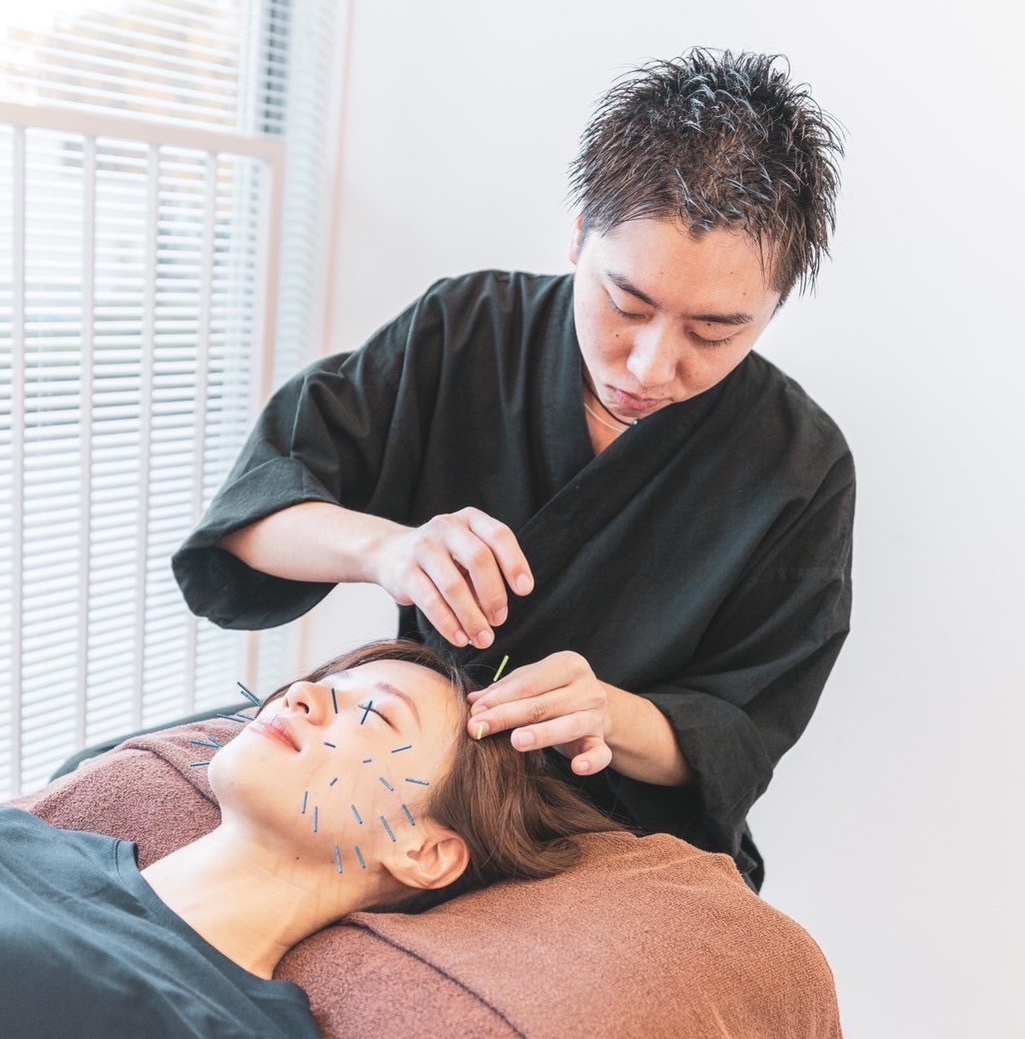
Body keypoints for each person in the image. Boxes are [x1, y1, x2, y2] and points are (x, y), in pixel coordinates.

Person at [173, 48, 853, 889]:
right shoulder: (465, 331)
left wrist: (609, 713)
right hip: (411, 791)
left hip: (611, 839)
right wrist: (388, 550)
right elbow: (250, 523)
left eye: (713, 332)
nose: (648, 365)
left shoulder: (800, 469)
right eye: (626, 303)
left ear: (772, 308)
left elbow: (739, 735)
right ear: (578, 233)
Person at [0, 639, 616, 1039]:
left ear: (424, 851)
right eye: (327, 682)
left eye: (374, 715)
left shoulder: (212, 1024)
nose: (306, 696)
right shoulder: (16, 839)